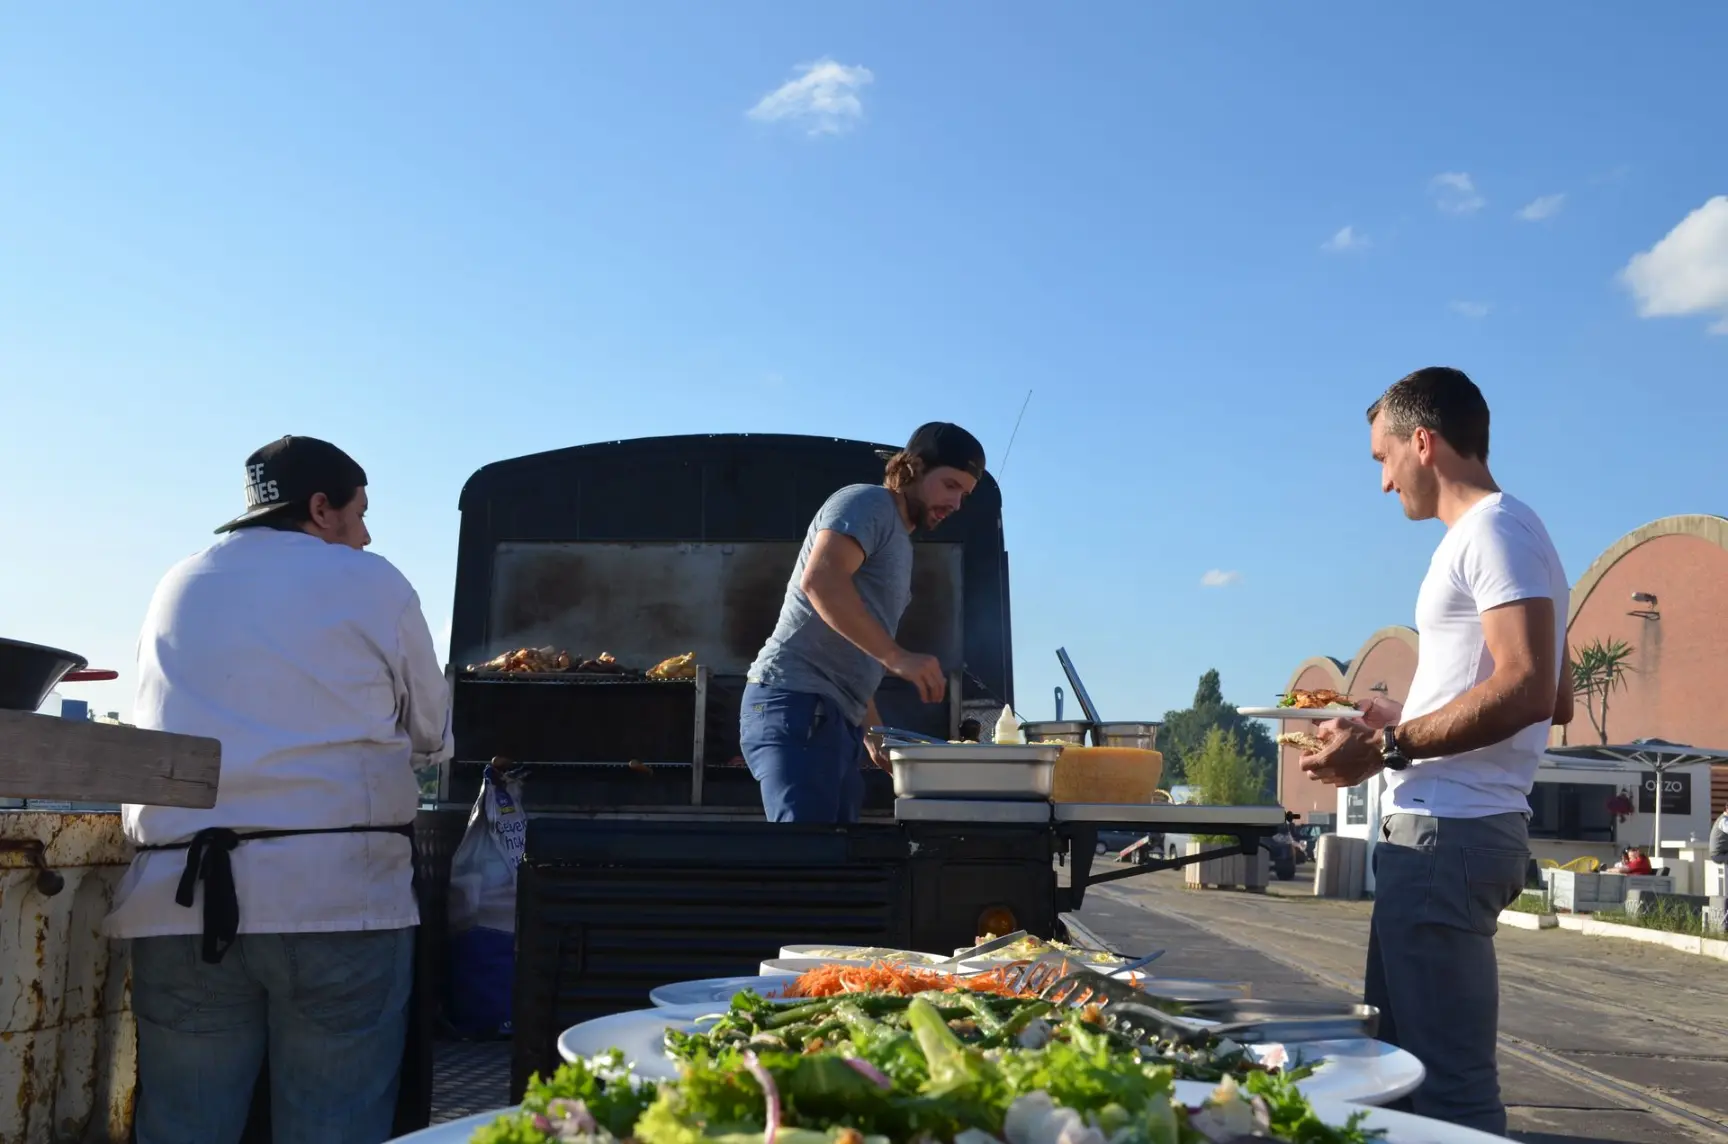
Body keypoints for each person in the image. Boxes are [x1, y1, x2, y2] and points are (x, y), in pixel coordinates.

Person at [103, 435, 453, 1144]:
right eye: (359, 512)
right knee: (334, 1121)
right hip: (336, 901)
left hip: (178, 903)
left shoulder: (178, 581)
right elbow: (430, 732)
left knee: (183, 1125)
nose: (366, 532)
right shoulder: (374, 582)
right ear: (320, 508)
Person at [1297, 368, 1573, 1136]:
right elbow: (1556, 696)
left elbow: (1525, 690)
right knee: (1396, 1077)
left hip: (1446, 835)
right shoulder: (1526, 532)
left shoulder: (1492, 532)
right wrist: (1403, 711)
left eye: (1384, 459)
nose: (1385, 484)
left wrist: (1385, 745)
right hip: (1455, 832)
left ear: (1424, 442)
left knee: (1447, 1093)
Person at [742, 423, 985, 823]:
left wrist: (873, 733)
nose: (957, 503)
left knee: (836, 868)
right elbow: (821, 580)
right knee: (806, 865)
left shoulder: (898, 543)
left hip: (837, 720)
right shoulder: (867, 503)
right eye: (950, 485)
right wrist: (897, 657)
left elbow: (856, 643)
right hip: (795, 703)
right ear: (914, 469)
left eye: (965, 494)